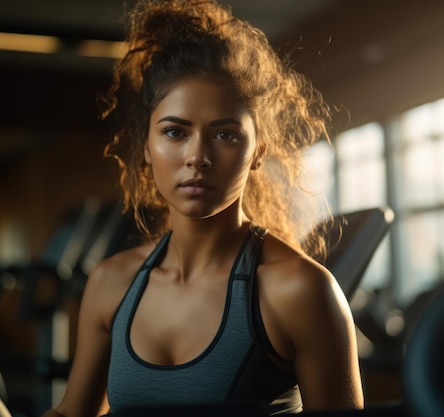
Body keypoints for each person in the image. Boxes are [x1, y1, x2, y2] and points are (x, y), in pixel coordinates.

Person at [44, 0, 364, 415]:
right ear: (146, 147)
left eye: (226, 135)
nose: (197, 157)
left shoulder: (299, 290)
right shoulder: (111, 283)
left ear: (257, 152)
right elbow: (72, 413)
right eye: (175, 132)